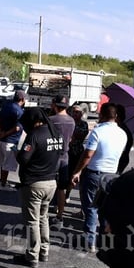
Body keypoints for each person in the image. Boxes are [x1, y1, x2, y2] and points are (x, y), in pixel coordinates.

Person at [71, 103, 127, 252]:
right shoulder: (122, 134)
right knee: (104, 208)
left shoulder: (98, 131)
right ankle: (104, 239)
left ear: (101, 114)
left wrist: (77, 171)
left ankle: (90, 241)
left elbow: (88, 154)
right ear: (115, 116)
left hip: (94, 173)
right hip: (111, 175)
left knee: (91, 208)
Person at [13, 107, 61, 268]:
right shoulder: (56, 133)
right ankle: (44, 251)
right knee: (43, 218)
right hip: (51, 183)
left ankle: (32, 255)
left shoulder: (35, 135)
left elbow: (24, 158)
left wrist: (16, 153)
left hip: (34, 184)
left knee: (32, 221)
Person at [48, 95, 76, 230]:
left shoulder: (51, 120)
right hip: (65, 157)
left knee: (47, 185)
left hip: (51, 156)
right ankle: (60, 216)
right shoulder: (72, 121)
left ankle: (43, 213)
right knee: (61, 188)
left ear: (54, 104)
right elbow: (70, 139)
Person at [0, 89, 25, 190]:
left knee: (3, 162)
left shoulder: (6, 106)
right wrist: (5, 134)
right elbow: (17, 128)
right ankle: (3, 185)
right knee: (7, 164)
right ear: (22, 99)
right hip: (11, 141)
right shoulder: (20, 111)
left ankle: (1, 181)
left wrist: (0, 132)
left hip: (1, 140)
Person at [114, 103, 134, 174]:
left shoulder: (121, 131)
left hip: (119, 160)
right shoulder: (120, 128)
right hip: (122, 159)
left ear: (116, 116)